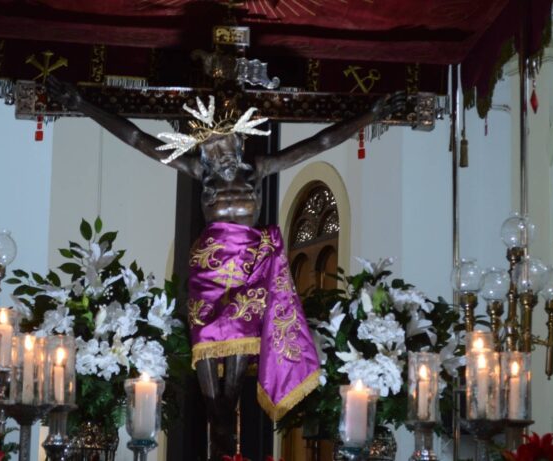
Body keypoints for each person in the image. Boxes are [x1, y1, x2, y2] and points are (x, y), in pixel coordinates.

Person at [48, 78, 402, 459]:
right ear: (205, 150)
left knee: (238, 349)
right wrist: (82, 104)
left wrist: (370, 116)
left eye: (229, 145)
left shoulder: (257, 170)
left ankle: (224, 424)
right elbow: (137, 139)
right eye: (215, 149)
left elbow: (319, 143)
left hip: (249, 269)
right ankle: (216, 416)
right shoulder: (202, 175)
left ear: (239, 140)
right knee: (206, 345)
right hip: (209, 272)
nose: (224, 155)